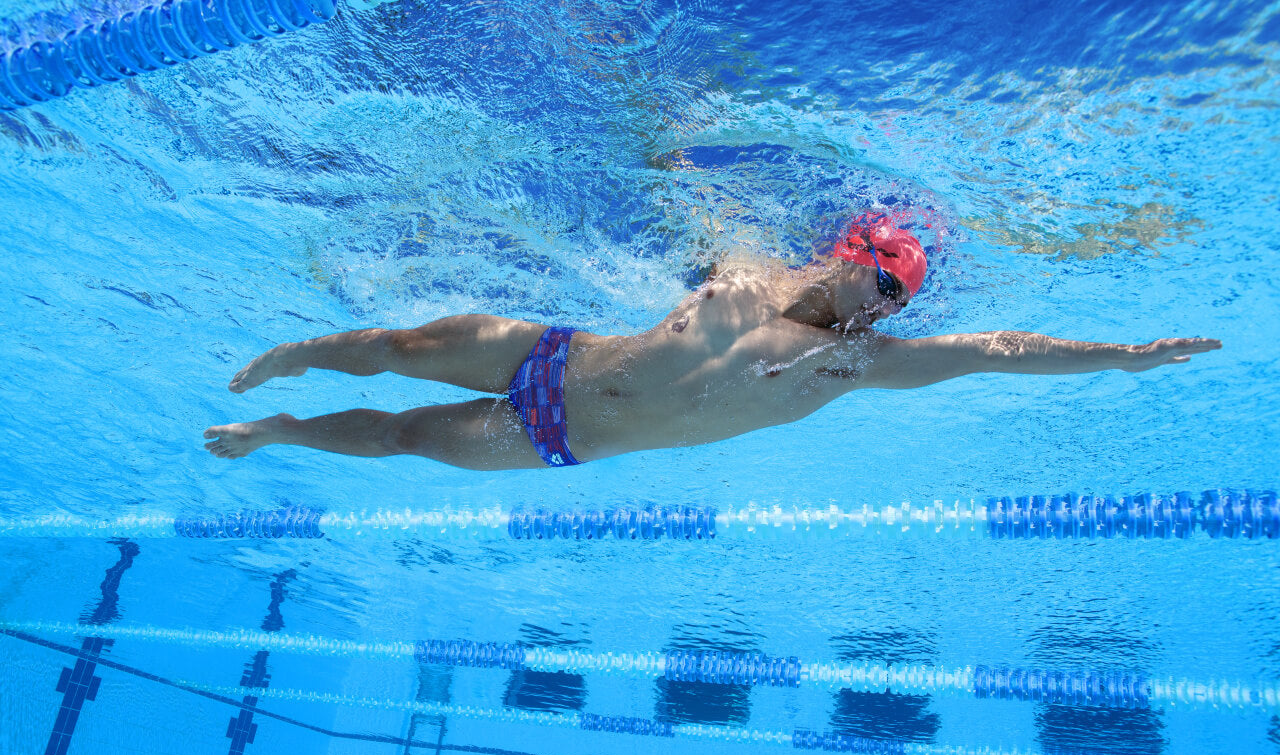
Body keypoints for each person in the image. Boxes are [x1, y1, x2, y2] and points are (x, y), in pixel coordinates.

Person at [203, 212, 1221, 470]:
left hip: (559, 441)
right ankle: (299, 356)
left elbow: (996, 351)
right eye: (874, 279)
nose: (878, 306)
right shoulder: (749, 278)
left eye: (893, 298)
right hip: (546, 358)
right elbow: (694, 206)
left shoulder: (851, 365)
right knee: (396, 348)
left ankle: (281, 431)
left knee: (398, 440)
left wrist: (1122, 355)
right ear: (841, 257)